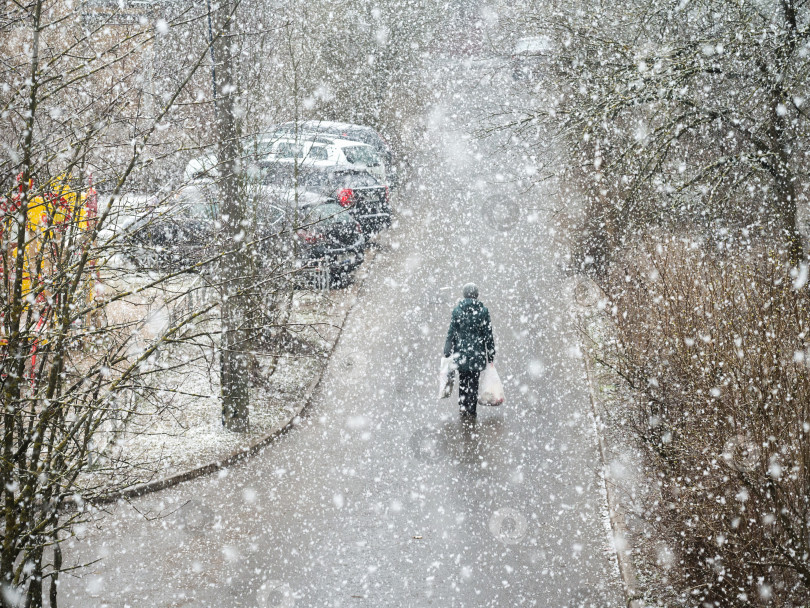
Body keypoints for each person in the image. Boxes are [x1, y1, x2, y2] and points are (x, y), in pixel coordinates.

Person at [443, 283, 496, 417]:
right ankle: (472, 409)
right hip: (477, 353)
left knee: (463, 379)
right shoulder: (483, 312)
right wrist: (490, 353)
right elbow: (487, 334)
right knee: (474, 381)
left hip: (460, 353)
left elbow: (452, 332)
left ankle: (462, 406)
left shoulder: (457, 311)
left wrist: (448, 349)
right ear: (476, 295)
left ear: (464, 294)